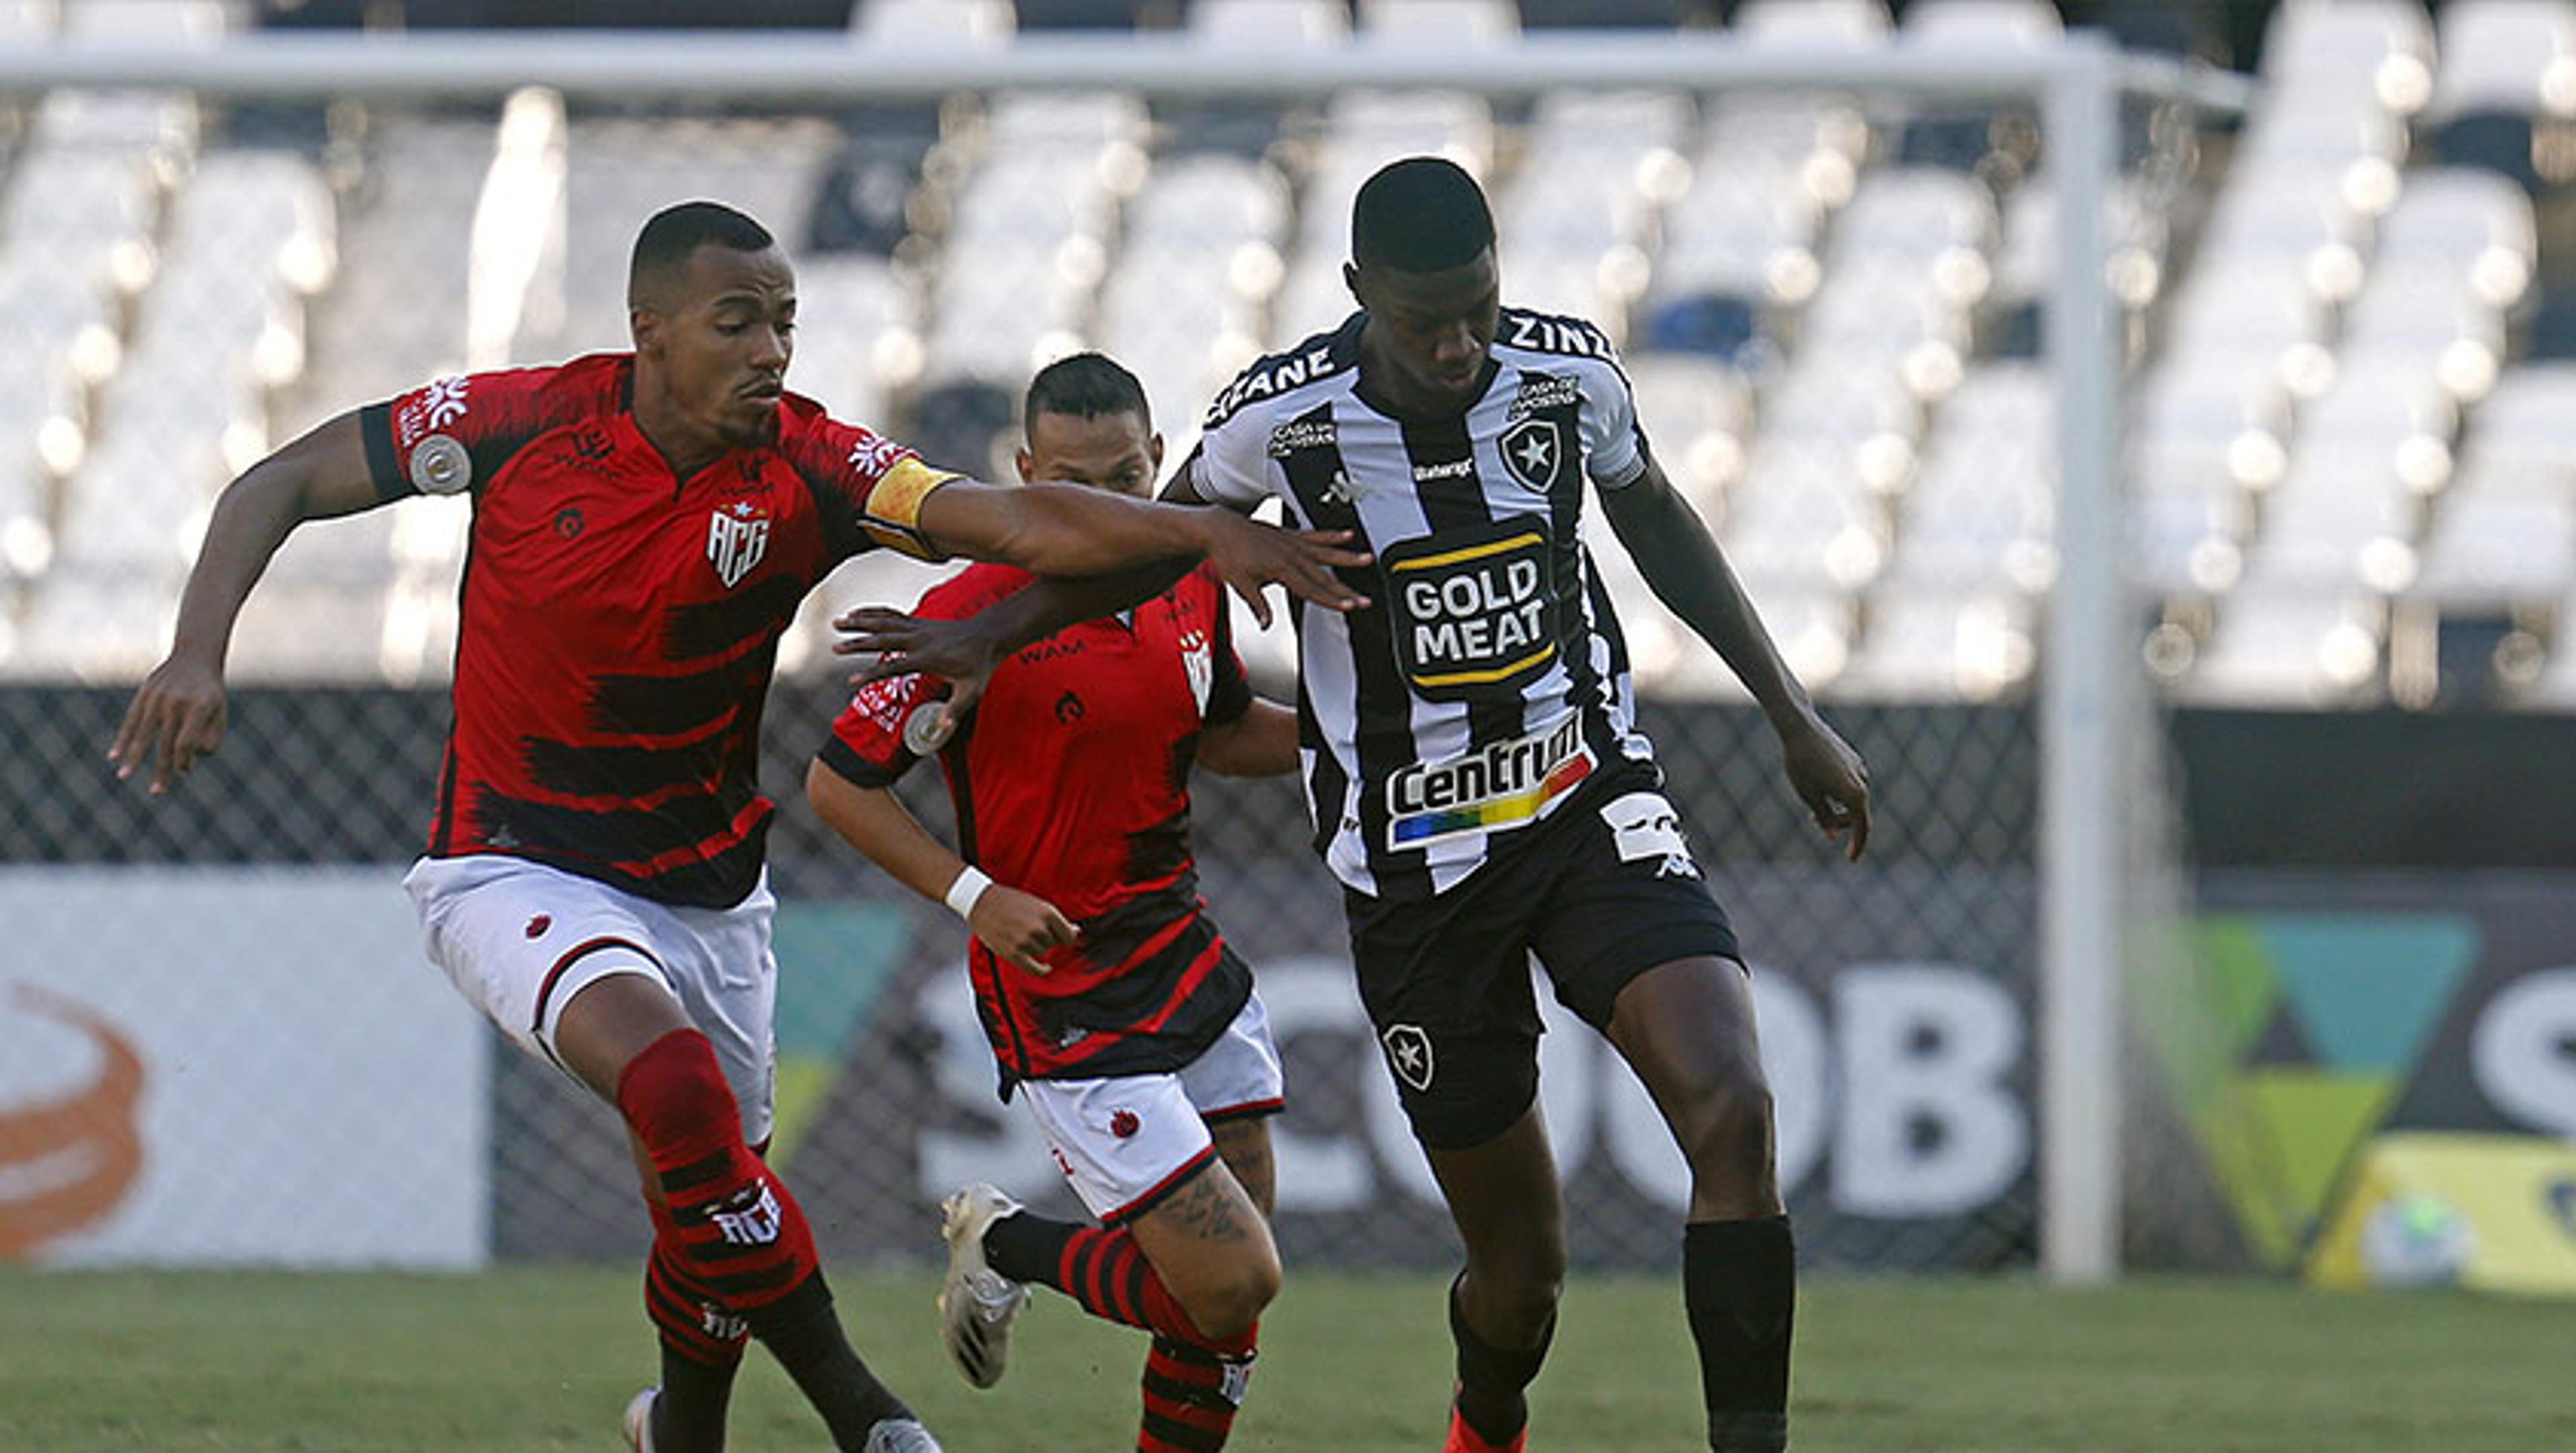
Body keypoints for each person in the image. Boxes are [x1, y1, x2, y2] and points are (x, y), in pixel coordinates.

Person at [105, 201, 1367, 1453]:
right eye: (738, 323)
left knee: (711, 1214)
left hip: (712, 896)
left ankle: (685, 1435)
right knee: (675, 1091)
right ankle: (866, 1414)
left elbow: (1010, 521)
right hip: (513, 858)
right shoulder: (519, 422)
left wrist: (1204, 530)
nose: (773, 351)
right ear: (649, 331)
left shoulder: (819, 468)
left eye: (787, 323)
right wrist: (196, 651)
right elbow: (280, 480)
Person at [836, 158, 1873, 1453]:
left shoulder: (1568, 376)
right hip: (1418, 875)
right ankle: (1482, 1424)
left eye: (1479, 310)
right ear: (1356, 293)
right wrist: (994, 636)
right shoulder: (1282, 420)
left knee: (1735, 1110)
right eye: (1424, 317)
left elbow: (1657, 519)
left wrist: (1790, 711)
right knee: (1521, 1276)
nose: (1457, 345)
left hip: (1584, 800)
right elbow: (1151, 553)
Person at [807, 351, 1294, 1452]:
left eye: (1126, 476)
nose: (1102, 503)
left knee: (1229, 1305)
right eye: (1069, 479)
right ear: (1025, 474)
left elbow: (1219, 728)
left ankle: (1017, 1251)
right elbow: (838, 781)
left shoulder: (1184, 574)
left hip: (1183, 951)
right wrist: (974, 894)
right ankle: (1010, 1243)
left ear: (1160, 460)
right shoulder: (972, 610)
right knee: (1232, 1284)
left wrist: (1338, 744)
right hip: (1064, 989)